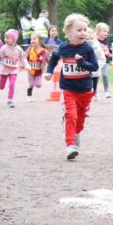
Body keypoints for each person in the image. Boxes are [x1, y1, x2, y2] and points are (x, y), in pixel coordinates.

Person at [45, 14, 99, 159]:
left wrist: (82, 63)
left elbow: (94, 66)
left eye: (85, 30)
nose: (83, 33)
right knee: (71, 115)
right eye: (79, 30)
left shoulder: (88, 49)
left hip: (86, 90)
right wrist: (49, 71)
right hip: (68, 89)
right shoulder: (63, 47)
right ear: (68, 32)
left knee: (80, 121)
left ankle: (76, 134)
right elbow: (54, 58)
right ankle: (69, 145)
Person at [0, 29, 25, 108]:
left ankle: (10, 100)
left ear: (14, 39)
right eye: (5, 38)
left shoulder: (18, 49)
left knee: (12, 84)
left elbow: (23, 57)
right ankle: (1, 85)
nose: (6, 40)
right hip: (4, 70)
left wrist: (24, 65)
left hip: (13, 70)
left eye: (8, 38)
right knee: (1, 86)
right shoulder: (3, 48)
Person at [24, 33, 49, 101]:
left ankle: (36, 84)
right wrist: (25, 64)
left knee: (38, 85)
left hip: (39, 71)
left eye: (34, 39)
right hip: (30, 71)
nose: (32, 40)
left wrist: (50, 69)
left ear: (40, 41)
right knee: (31, 84)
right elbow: (24, 57)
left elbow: (49, 60)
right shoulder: (30, 49)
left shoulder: (44, 51)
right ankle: (29, 96)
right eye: (31, 39)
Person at [95, 22, 113, 99]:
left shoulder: (107, 40)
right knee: (96, 76)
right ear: (98, 32)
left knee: (105, 75)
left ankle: (107, 91)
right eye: (104, 31)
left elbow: (109, 50)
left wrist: (109, 53)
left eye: (107, 31)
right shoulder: (94, 40)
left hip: (105, 61)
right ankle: (94, 92)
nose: (106, 33)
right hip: (96, 61)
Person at [87, 27, 107, 96]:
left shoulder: (97, 48)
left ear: (94, 39)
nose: (89, 41)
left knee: (94, 82)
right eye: (87, 39)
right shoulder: (82, 48)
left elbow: (102, 59)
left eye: (91, 39)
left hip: (95, 69)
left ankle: (94, 93)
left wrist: (97, 66)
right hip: (85, 70)